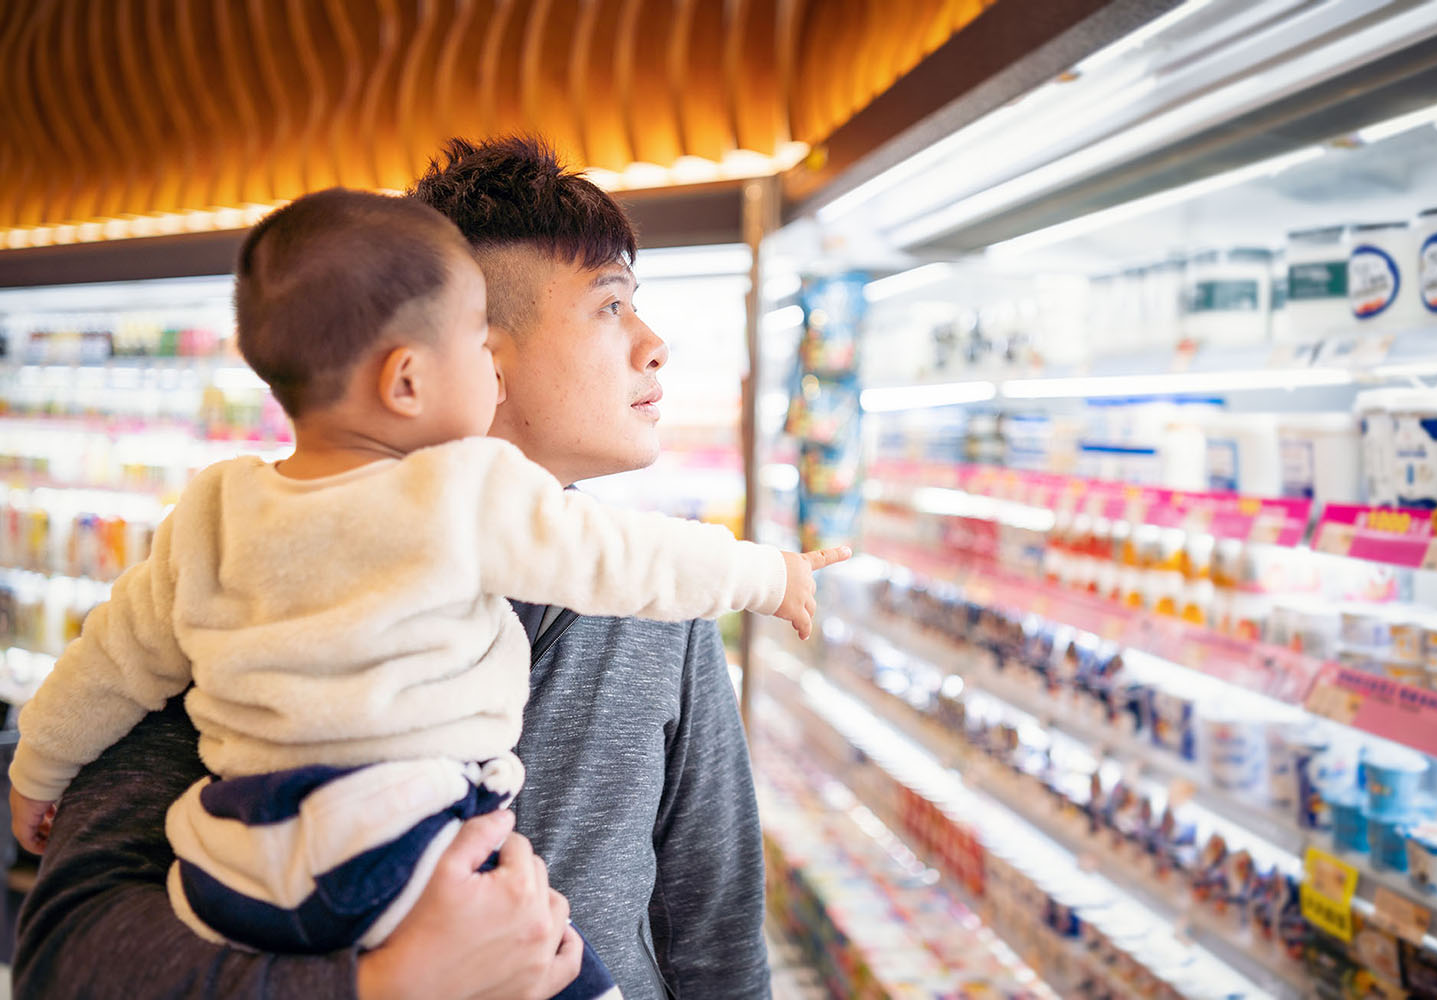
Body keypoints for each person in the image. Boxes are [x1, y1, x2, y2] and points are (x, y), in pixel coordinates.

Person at [9, 188, 842, 997]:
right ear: (465, 361)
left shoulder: (656, 608)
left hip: (241, 866)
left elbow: (713, 924)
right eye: (609, 306)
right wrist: (387, 986)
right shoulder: (266, 581)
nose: (655, 344)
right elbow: (70, 954)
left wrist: (36, 763)